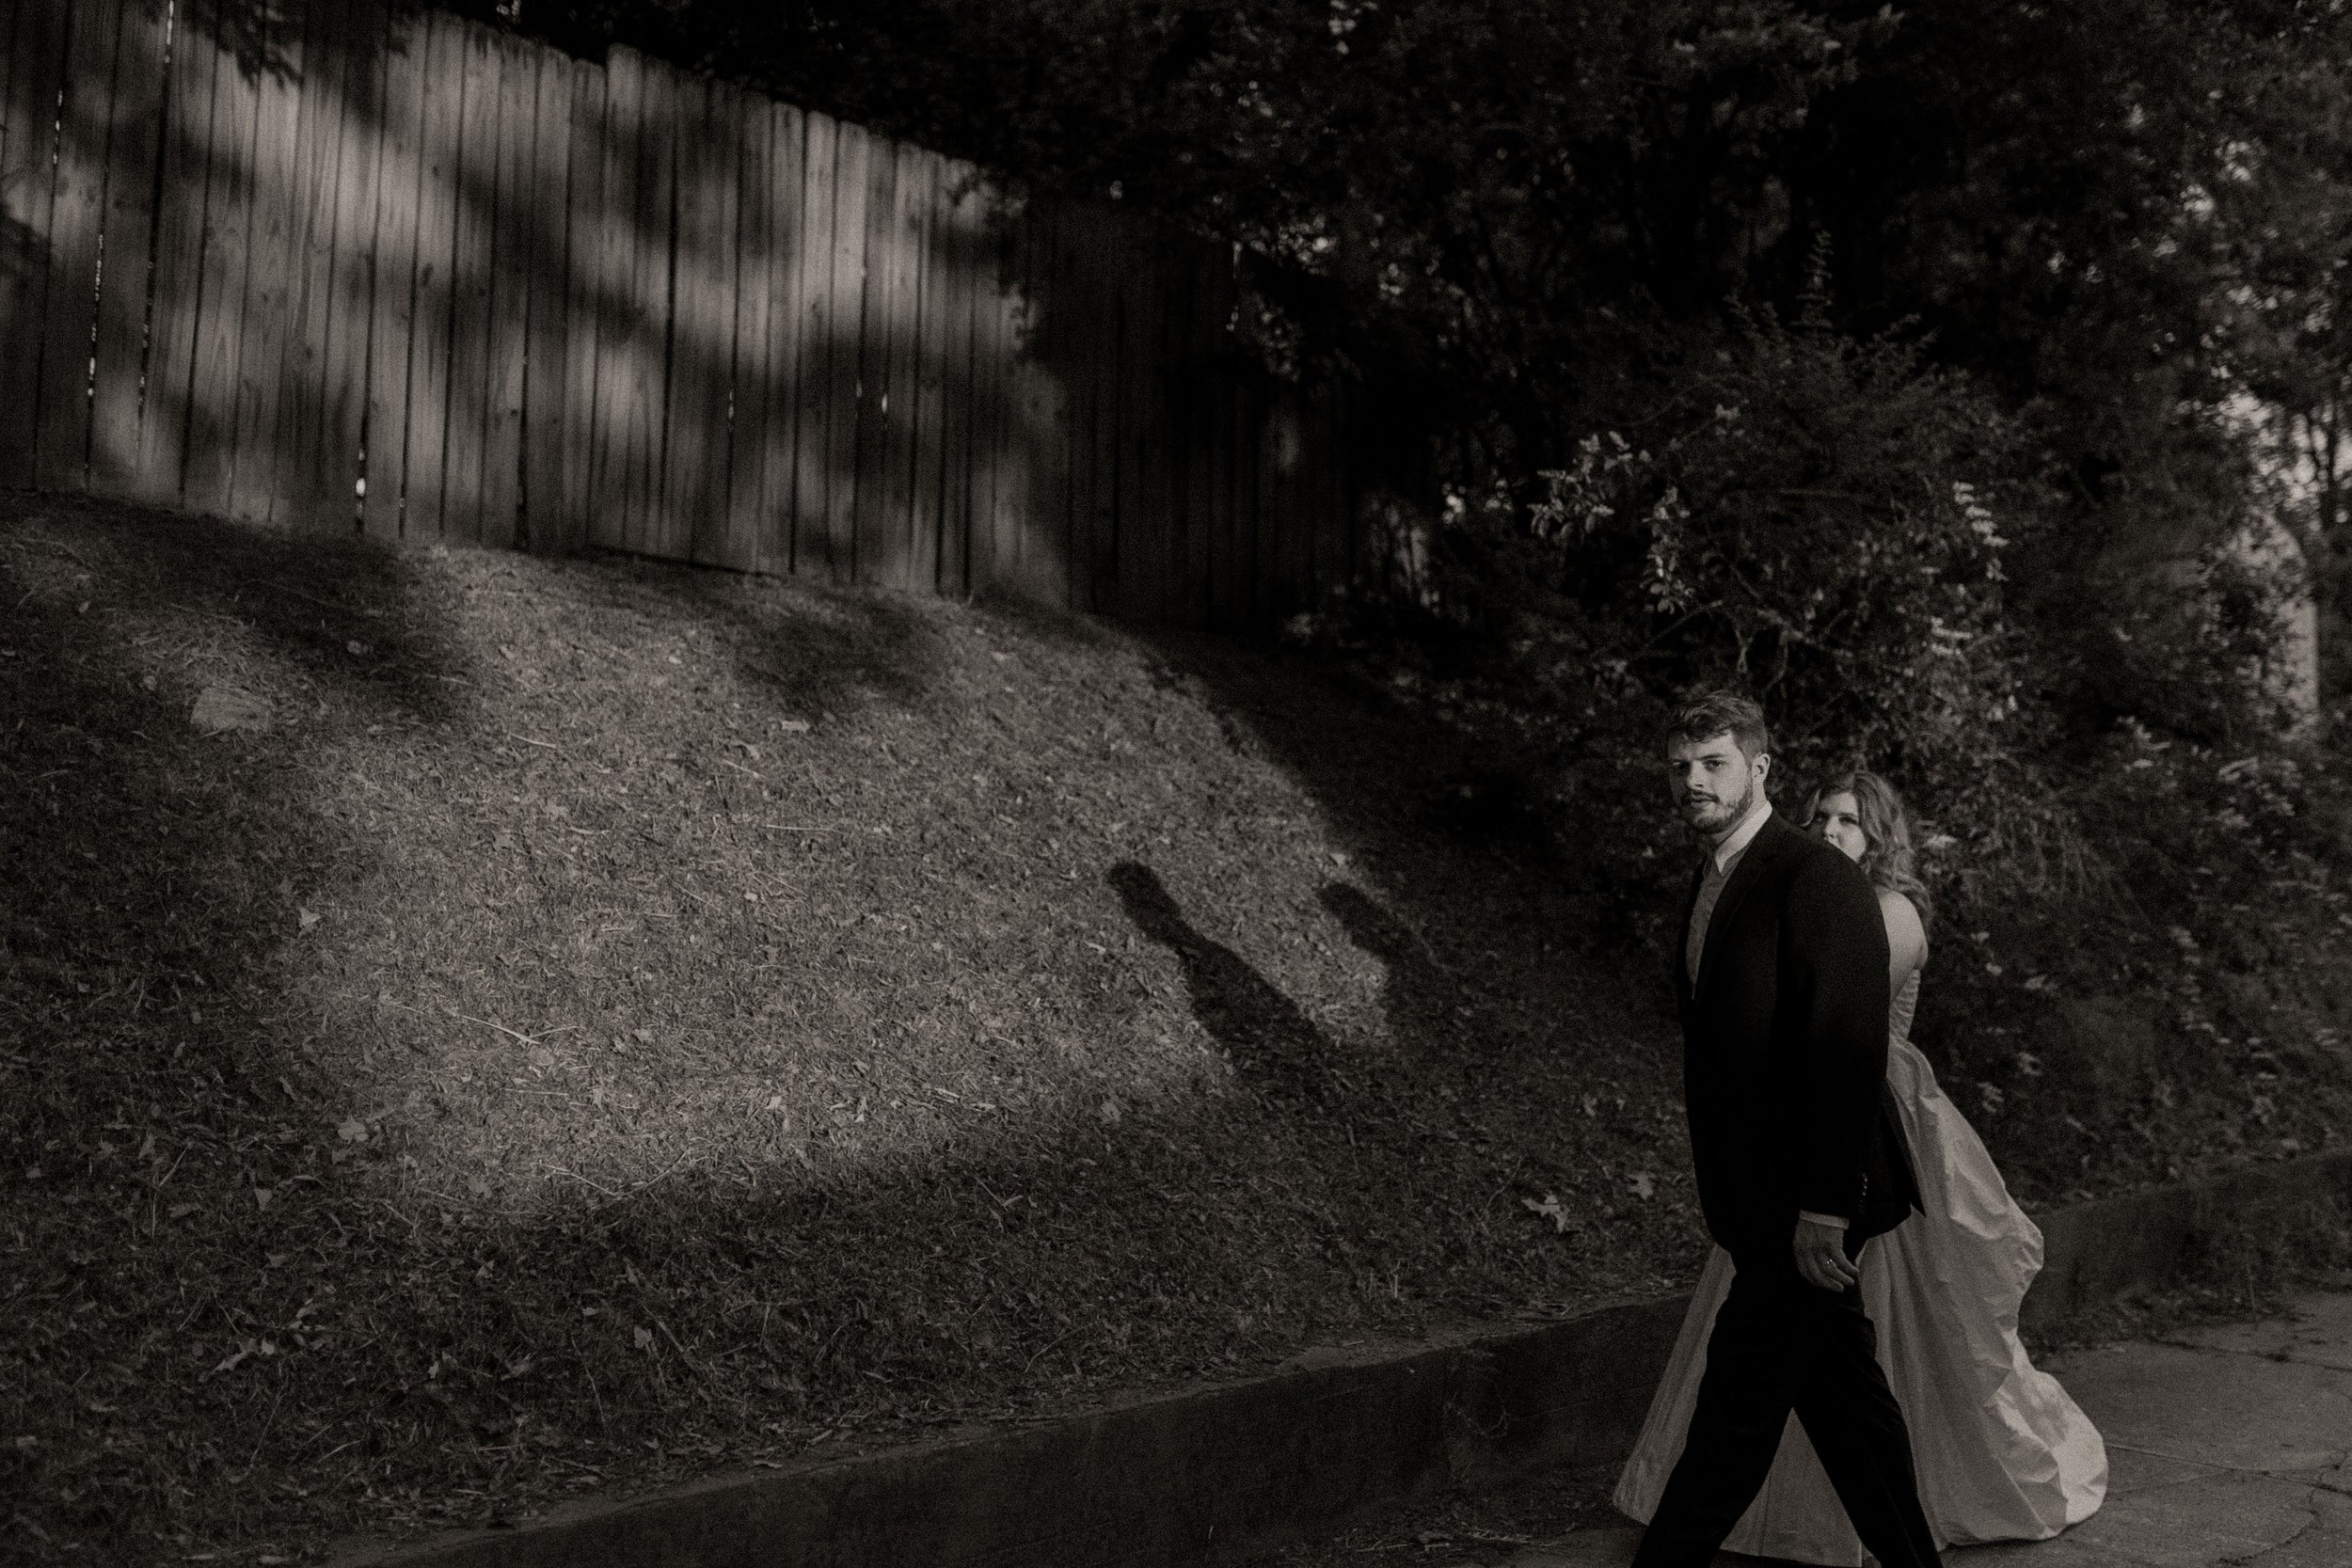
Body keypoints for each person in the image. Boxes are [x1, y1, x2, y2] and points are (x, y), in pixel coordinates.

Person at [1616, 768, 2108, 1563]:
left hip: (1868, 1132)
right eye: (1823, 816)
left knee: (1816, 1356)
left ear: (1881, 837)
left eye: (1851, 820)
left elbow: (1829, 1008)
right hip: (1798, 1146)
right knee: (1833, 1369)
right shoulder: (1803, 892)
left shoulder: (1890, 909)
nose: (1834, 830)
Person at [1625, 690, 1940, 1568]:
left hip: (1802, 1208)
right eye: (1681, 766)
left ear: (1760, 768)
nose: (1693, 780)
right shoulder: (1716, 873)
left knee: (1732, 1420)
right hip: (1757, 1201)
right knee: (1853, 1420)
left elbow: (1844, 1055)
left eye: (1714, 762)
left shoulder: (1815, 877)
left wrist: (1824, 1209)